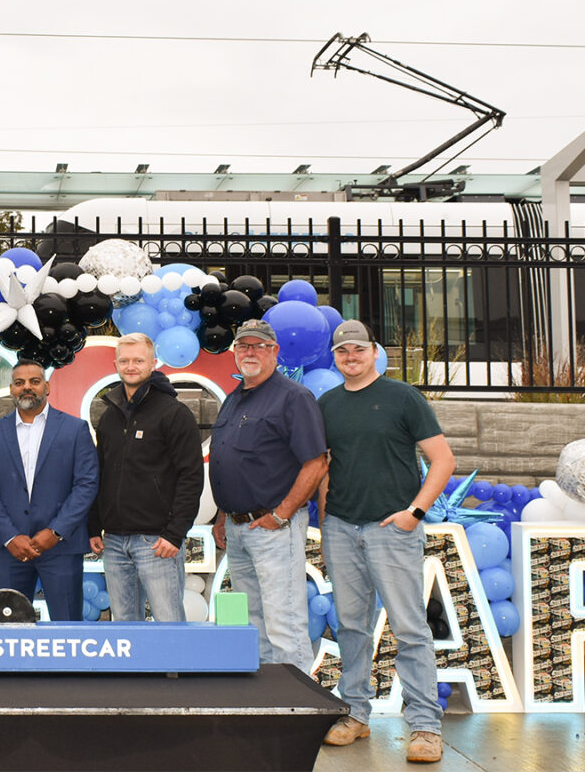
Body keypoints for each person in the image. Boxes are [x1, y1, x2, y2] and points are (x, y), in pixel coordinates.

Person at [317, 320, 454, 764]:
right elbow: (327, 464)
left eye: (358, 350)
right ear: (334, 358)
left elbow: (442, 460)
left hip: (391, 531)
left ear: (374, 352)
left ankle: (425, 727)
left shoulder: (403, 397)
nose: (350, 357)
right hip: (341, 528)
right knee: (352, 627)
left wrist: (414, 513)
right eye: (342, 352)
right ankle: (355, 713)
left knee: (410, 629)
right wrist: (325, 518)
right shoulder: (328, 404)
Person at [209, 319, 328, 672]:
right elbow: (231, 459)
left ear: (275, 352)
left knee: (284, 621)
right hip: (238, 528)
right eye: (243, 346)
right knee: (255, 622)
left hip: (274, 527)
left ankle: (297, 710)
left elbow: (315, 463)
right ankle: (267, 703)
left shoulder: (294, 397)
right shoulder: (235, 398)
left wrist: (282, 514)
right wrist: (222, 515)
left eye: (259, 346)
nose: (250, 352)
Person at [88, 332, 204, 622]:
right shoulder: (109, 416)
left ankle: (174, 670)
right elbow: (99, 473)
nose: (131, 366)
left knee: (169, 623)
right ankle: (130, 673)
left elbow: (191, 476)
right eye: (124, 360)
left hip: (157, 542)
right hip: (113, 541)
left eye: (139, 360)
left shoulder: (174, 414)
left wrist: (175, 533)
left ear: (153, 363)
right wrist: (94, 526)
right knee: (124, 628)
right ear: (115, 364)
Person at [0, 360, 99, 621]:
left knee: (68, 628)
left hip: (61, 547)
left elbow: (86, 484)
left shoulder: (75, 429)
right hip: (10, 549)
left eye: (34, 381)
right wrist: (9, 536)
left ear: (47, 386)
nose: (27, 387)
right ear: (11, 389)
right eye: (19, 383)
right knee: (7, 627)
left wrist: (55, 531)